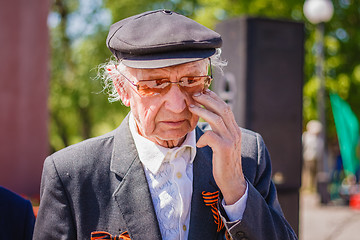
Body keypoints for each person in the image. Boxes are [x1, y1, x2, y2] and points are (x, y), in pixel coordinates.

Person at [34, 9, 297, 240]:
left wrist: (236, 191)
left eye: (191, 81)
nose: (177, 104)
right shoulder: (73, 174)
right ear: (122, 88)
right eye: (155, 84)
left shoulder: (247, 153)